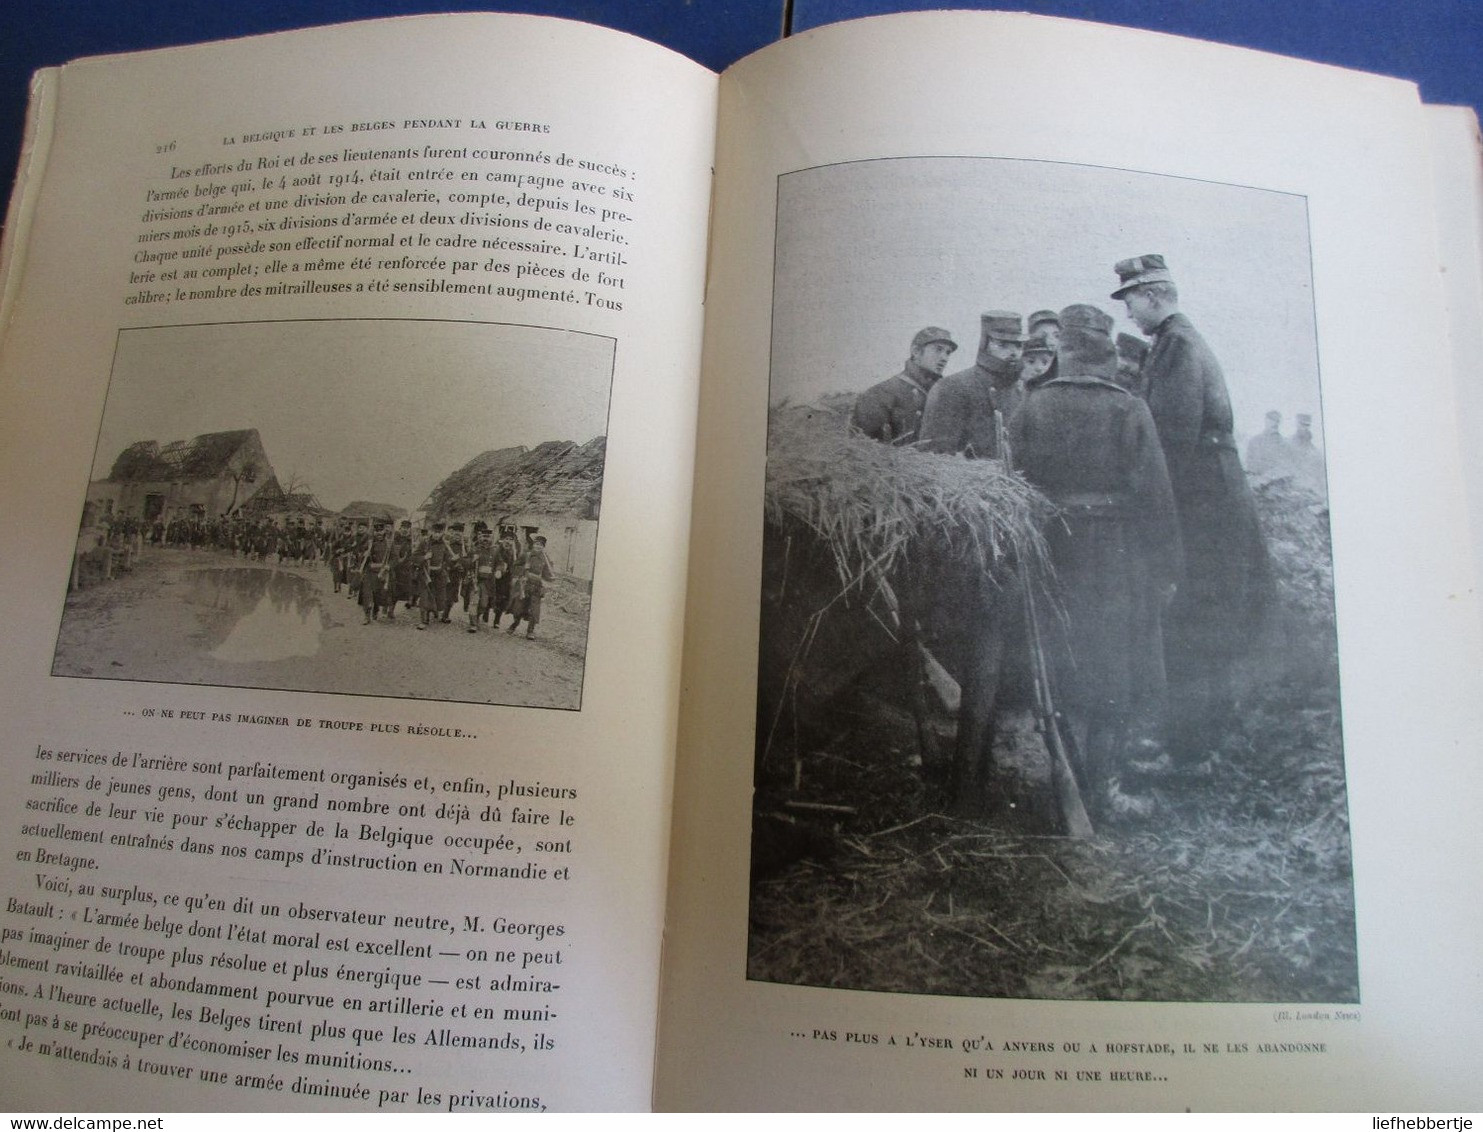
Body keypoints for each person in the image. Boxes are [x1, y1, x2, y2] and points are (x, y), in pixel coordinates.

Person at [1008, 303, 1182, 820]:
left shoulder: (1030, 406)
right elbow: (1157, 497)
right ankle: (1099, 789)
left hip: (1051, 549)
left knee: (1058, 663)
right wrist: (1166, 567)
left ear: (1063, 350)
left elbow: (1012, 487)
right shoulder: (1129, 409)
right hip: (1115, 556)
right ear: (1106, 351)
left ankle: (1067, 779)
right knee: (1112, 666)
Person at [1113, 253, 1272, 762]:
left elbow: (1171, 442)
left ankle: (1190, 751)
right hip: (1213, 496)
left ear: (1156, 295)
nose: (1129, 314)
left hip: (1204, 504)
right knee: (1206, 618)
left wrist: (1148, 506)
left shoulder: (1177, 346)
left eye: (1132, 300)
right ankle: (1201, 744)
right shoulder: (1177, 341)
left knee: (1196, 619)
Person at [918, 310, 1025, 459]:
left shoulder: (1023, 391)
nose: (1013, 352)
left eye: (1018, 346)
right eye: (1002, 345)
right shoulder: (952, 388)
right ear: (984, 344)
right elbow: (935, 460)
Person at [849, 326, 957, 445]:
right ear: (916, 351)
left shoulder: (944, 397)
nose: (944, 358)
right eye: (938, 349)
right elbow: (862, 450)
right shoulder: (879, 394)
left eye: (948, 352)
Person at [506, 534, 556, 640]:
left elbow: (547, 573)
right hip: (524, 585)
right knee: (519, 608)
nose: (538, 546)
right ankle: (514, 625)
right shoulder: (526, 555)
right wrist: (522, 572)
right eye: (537, 544)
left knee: (534, 610)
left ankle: (530, 631)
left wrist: (550, 580)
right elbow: (515, 566)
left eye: (541, 545)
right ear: (533, 545)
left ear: (543, 547)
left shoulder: (545, 559)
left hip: (536, 587)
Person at [1289, 412, 1326, 495]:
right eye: (1302, 424)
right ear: (1297, 424)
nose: (1305, 428)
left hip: (1310, 490)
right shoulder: (1288, 444)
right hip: (1292, 489)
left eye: (1307, 425)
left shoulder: (1314, 450)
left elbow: (1321, 475)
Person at [1245, 410, 1288, 475]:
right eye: (1272, 420)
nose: (1275, 423)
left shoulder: (1284, 443)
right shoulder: (1254, 441)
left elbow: (1287, 465)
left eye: (1277, 421)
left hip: (1279, 481)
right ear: (1266, 421)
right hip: (1258, 480)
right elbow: (1249, 464)